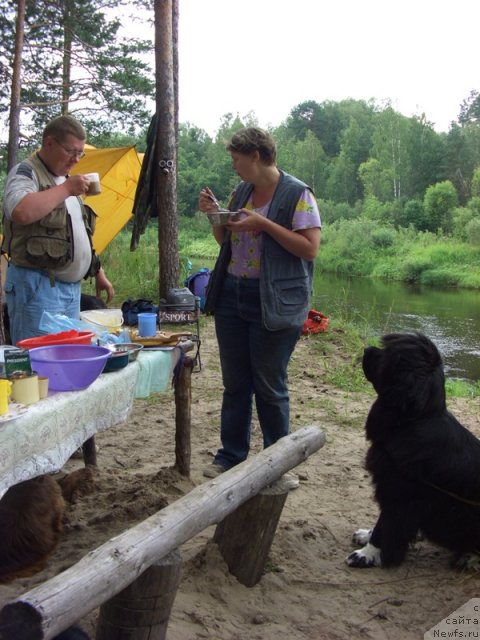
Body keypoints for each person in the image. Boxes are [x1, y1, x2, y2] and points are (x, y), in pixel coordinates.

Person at [198, 127, 321, 487]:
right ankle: (231, 456)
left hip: (276, 301)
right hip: (233, 296)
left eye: (237, 159)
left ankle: (276, 463)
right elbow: (226, 240)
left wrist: (263, 223)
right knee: (236, 384)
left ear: (256, 156)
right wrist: (215, 215)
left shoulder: (298, 194)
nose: (234, 166)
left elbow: (310, 249)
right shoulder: (242, 192)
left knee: (269, 384)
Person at [2, 115, 114, 345]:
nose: (76, 159)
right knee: (36, 363)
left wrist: (98, 272)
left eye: (80, 153)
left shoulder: (66, 181)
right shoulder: (26, 173)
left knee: (66, 358)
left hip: (69, 291)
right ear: (50, 143)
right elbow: (21, 211)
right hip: (37, 288)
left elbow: (77, 234)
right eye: (71, 151)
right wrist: (65, 189)